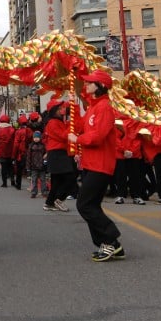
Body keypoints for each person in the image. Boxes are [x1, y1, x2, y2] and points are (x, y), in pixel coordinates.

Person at [68, 70, 126, 262]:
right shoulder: (93, 107)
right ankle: (112, 246)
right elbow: (81, 125)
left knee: (84, 204)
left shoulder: (105, 108)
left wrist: (78, 139)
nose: (86, 85)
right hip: (91, 163)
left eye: (90, 83)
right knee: (91, 205)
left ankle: (110, 239)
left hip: (101, 164)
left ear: (100, 86)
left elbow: (98, 136)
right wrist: (71, 108)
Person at [42, 98, 77, 211]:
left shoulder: (58, 121)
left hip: (59, 153)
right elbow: (63, 136)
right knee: (69, 178)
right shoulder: (52, 123)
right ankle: (59, 199)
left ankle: (49, 203)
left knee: (57, 181)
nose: (62, 109)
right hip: (57, 153)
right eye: (60, 108)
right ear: (54, 110)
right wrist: (70, 127)